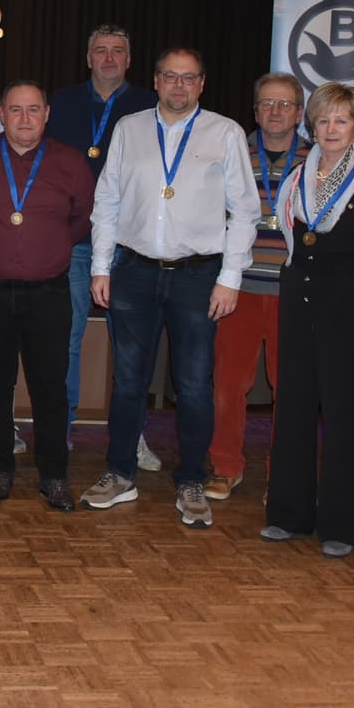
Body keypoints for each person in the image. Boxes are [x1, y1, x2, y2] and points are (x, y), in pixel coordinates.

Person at [84, 48, 256, 524]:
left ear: (202, 84)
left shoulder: (225, 133)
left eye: (188, 78)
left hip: (199, 276)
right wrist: (101, 267)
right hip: (134, 271)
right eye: (170, 77)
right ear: (156, 81)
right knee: (128, 382)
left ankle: (192, 481)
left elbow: (245, 211)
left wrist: (230, 278)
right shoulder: (129, 129)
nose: (179, 86)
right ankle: (120, 473)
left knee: (195, 385)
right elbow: (107, 199)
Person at [259, 83, 354, 558]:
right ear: (311, 126)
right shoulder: (298, 178)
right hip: (299, 304)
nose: (332, 129)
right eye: (323, 120)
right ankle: (288, 514)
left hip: (351, 313)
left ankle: (340, 524)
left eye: (341, 120)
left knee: (344, 417)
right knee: (294, 409)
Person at [0, 81, 93, 511]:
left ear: (47, 114)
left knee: (51, 386)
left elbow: (83, 218)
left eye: (33, 109)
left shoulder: (70, 162)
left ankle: (54, 474)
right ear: (1, 114)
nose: (25, 118)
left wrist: (49, 244)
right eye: (15, 109)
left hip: (48, 291)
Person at [47, 24, 156, 461]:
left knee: (131, 347)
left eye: (117, 51)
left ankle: (133, 436)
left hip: (129, 242)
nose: (109, 58)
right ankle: (60, 429)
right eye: (100, 50)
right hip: (75, 239)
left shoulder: (149, 106)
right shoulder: (62, 102)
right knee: (67, 339)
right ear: (88, 58)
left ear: (129, 60)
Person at [207, 73, 309, 501]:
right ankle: (225, 467)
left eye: (285, 104)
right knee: (229, 386)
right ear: (254, 111)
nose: (275, 111)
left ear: (299, 113)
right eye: (267, 103)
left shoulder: (316, 159)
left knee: (292, 389)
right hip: (240, 288)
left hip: (294, 293)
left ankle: (282, 475)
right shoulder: (232, 155)